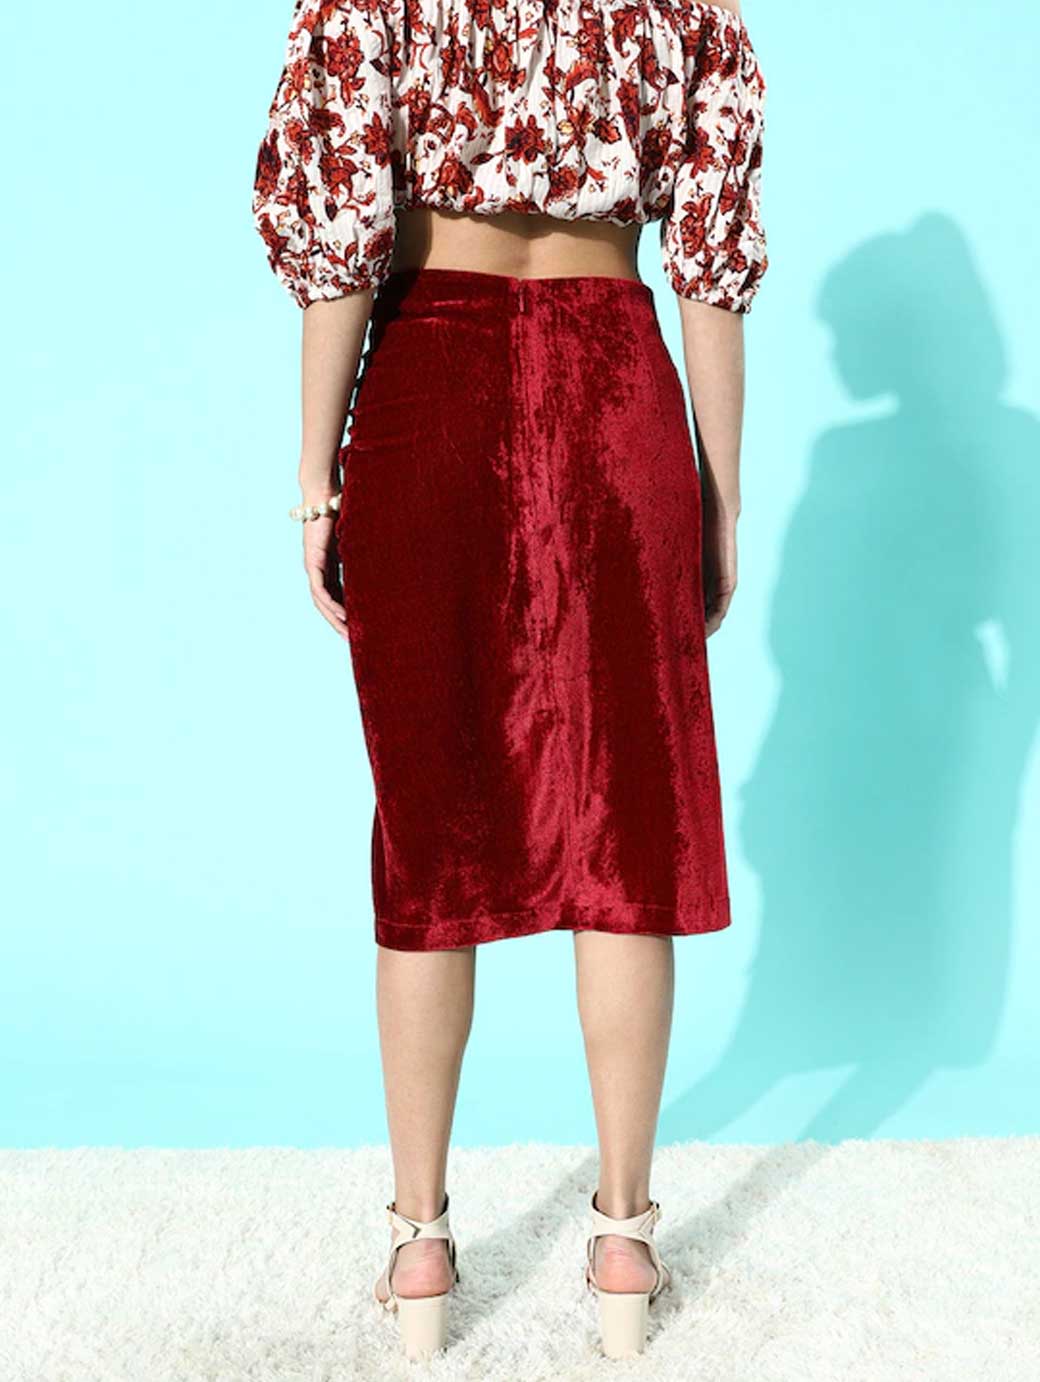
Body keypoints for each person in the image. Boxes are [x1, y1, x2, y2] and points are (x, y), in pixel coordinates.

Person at [252, 0, 767, 1361]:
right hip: (619, 380)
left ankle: (419, 1242)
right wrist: (718, 493)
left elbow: (340, 233)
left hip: (431, 371)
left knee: (431, 822)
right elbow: (710, 260)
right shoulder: (689, 7)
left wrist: (315, 480)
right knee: (629, 818)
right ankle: (624, 1238)